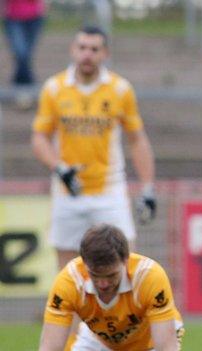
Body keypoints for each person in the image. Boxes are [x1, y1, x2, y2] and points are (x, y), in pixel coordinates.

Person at [31, 26, 156, 270]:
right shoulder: (54, 88)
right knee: (67, 270)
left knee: (124, 265)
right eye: (82, 48)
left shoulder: (120, 89)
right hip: (68, 191)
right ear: (72, 50)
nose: (87, 54)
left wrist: (148, 188)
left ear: (105, 54)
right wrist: (59, 168)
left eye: (94, 49)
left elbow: (137, 140)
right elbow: (39, 138)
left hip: (110, 190)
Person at [38, 224, 183, 351]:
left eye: (111, 275)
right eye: (95, 275)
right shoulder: (69, 282)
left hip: (149, 342)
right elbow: (49, 347)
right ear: (84, 263)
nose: (103, 284)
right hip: (97, 340)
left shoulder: (149, 277)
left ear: (126, 259)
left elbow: (166, 347)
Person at [2, 0, 45, 87]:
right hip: (13, 17)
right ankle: (27, 78)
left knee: (28, 52)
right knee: (20, 51)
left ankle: (19, 78)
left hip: (34, 17)